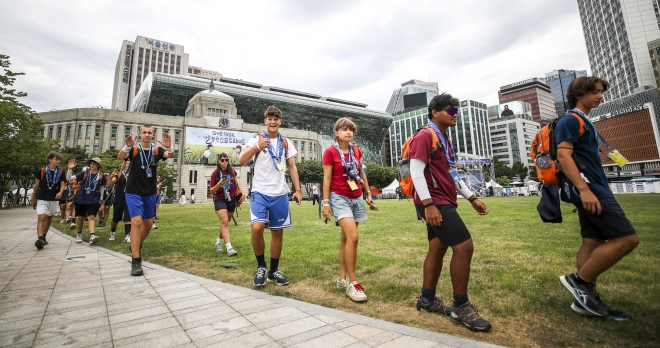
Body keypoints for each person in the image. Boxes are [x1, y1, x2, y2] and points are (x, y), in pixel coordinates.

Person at [556, 76, 639, 320]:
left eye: (601, 91)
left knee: (593, 240)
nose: (600, 95)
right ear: (578, 94)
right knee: (627, 239)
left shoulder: (583, 121)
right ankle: (579, 282)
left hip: (595, 186)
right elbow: (563, 156)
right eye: (594, 91)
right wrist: (584, 189)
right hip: (588, 188)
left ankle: (584, 300)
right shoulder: (571, 120)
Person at [411, 93, 492, 332]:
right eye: (450, 111)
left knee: (437, 248)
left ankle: (427, 300)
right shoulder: (426, 135)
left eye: (456, 111)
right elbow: (416, 171)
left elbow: (453, 174)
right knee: (464, 246)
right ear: (435, 112)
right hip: (433, 201)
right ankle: (461, 306)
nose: (454, 115)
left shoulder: (444, 139)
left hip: (442, 200)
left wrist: (472, 198)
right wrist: (428, 205)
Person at [239, 105, 302, 287]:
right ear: (265, 121)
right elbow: (242, 160)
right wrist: (258, 147)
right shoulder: (256, 139)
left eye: (276, 119)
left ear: (280, 122)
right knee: (257, 228)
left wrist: (297, 190)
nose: (273, 122)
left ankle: (273, 272)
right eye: (270, 118)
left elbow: (292, 167)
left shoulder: (285, 142)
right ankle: (261, 266)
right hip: (260, 191)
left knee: (277, 232)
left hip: (280, 193)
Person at [322, 117, 375, 302]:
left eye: (351, 129)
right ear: (336, 133)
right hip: (339, 198)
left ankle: (341, 278)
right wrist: (326, 203)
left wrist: (368, 193)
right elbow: (327, 179)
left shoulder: (356, 151)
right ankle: (353, 282)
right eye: (344, 129)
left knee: (346, 238)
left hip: (356, 197)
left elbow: (361, 173)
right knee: (353, 237)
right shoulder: (330, 152)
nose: (348, 132)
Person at [117, 124, 175, 276]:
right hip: (133, 191)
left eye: (150, 132)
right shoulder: (134, 149)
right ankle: (136, 260)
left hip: (149, 192)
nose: (147, 135)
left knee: (148, 224)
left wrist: (169, 147)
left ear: (153, 134)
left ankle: (136, 244)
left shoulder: (157, 150)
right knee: (136, 222)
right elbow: (120, 157)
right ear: (140, 134)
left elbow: (171, 156)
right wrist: (126, 146)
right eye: (144, 132)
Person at [66, 158, 113, 245]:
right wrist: (70, 169)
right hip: (81, 198)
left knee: (91, 216)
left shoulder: (101, 175)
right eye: (91, 163)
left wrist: (101, 199)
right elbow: (69, 178)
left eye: (94, 164)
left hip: (94, 199)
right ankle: (79, 233)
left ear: (98, 165)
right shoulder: (84, 173)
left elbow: (102, 187)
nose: (92, 165)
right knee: (81, 217)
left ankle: (92, 235)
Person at [31, 152, 67, 250]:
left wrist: (60, 192)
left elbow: (63, 184)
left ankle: (44, 236)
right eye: (56, 159)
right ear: (50, 159)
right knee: (41, 217)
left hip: (53, 198)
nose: (58, 161)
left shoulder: (61, 172)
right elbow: (36, 185)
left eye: (59, 159)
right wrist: (33, 197)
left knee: (49, 217)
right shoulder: (42, 171)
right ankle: (40, 238)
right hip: (42, 197)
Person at [210, 153, 244, 256]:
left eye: (226, 160)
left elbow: (236, 182)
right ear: (219, 161)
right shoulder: (215, 174)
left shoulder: (232, 171)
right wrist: (219, 184)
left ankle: (218, 242)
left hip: (231, 199)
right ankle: (229, 248)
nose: (225, 162)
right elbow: (211, 190)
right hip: (220, 199)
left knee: (225, 223)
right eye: (223, 160)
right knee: (224, 222)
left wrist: (241, 191)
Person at [108, 159, 132, 242]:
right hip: (119, 199)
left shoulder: (134, 175)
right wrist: (111, 177)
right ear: (125, 164)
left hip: (129, 200)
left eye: (130, 163)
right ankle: (112, 232)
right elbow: (110, 184)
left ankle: (127, 235)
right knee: (115, 219)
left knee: (128, 219)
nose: (129, 164)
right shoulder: (120, 174)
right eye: (127, 163)